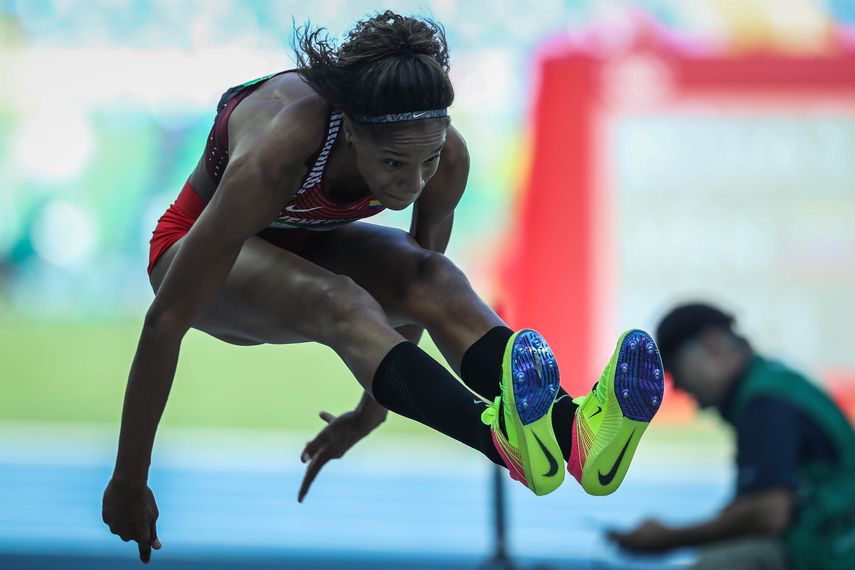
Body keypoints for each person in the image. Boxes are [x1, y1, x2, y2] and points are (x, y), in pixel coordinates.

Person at [101, 11, 665, 564]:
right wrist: (130, 478)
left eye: (428, 159)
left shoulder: (447, 162)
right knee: (339, 300)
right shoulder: (280, 149)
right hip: (192, 257)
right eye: (394, 163)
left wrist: (374, 407)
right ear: (349, 129)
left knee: (433, 276)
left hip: (308, 244)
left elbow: (414, 305)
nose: (412, 183)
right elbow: (165, 321)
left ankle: (578, 437)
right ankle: (499, 437)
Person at [608, 303, 855, 570]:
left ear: (711, 343)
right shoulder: (771, 384)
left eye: (676, 369)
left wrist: (669, 538)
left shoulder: (765, 402)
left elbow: (769, 513)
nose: (678, 386)